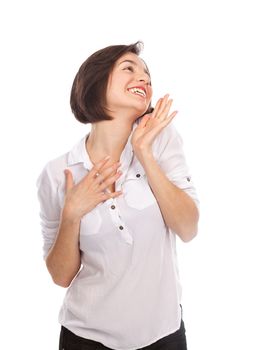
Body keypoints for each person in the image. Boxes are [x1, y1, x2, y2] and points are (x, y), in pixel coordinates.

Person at [36, 41, 200, 350]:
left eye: (148, 75)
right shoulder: (57, 173)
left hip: (163, 336)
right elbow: (61, 276)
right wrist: (71, 214)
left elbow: (188, 228)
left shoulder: (162, 141)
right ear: (95, 83)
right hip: (85, 339)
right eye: (129, 68)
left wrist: (144, 154)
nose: (145, 79)